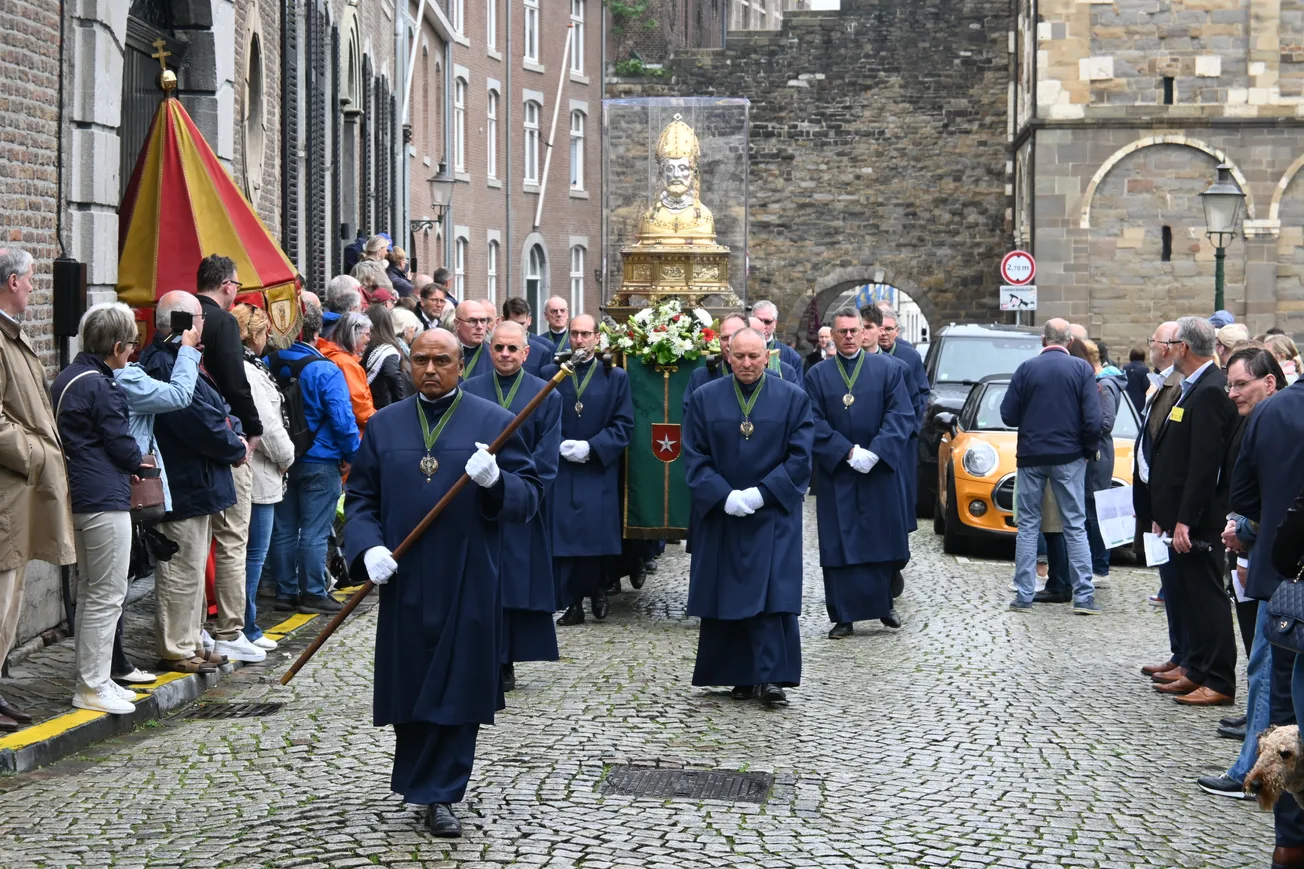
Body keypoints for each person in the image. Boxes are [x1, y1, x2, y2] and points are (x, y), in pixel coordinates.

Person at [345, 327, 541, 838]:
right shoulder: (384, 427)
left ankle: (442, 794)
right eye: (421, 360)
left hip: (468, 577)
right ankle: (418, 780)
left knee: (458, 689)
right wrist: (367, 547)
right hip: (405, 579)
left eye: (442, 361)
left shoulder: (495, 423)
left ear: (461, 365)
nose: (430, 370)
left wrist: (498, 481)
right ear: (409, 363)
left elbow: (531, 496)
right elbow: (361, 498)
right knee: (411, 684)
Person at [682, 327, 813, 704]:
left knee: (772, 595)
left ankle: (771, 677)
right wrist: (724, 495)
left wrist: (762, 493)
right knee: (727, 592)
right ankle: (737, 673)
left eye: (754, 356)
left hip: (772, 514)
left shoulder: (793, 398)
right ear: (728, 356)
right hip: (724, 513)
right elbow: (694, 455)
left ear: (767, 355)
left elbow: (802, 457)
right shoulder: (705, 398)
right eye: (739, 356)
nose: (746, 363)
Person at [139, 292, 250, 673]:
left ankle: (191, 641)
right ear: (184, 323)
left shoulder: (183, 360)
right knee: (180, 570)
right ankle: (176, 647)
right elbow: (196, 420)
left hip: (199, 481)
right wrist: (233, 447)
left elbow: (220, 410)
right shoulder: (165, 364)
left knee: (191, 569)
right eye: (200, 317)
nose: (204, 324)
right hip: (183, 482)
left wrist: (233, 433)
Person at [49, 303, 147, 715]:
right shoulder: (102, 386)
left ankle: (98, 677)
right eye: (130, 347)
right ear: (118, 346)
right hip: (103, 496)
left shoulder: (67, 378)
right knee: (107, 594)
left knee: (91, 592)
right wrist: (138, 462)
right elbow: (119, 442)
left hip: (77, 494)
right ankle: (91, 685)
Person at [1197, 347, 1285, 799]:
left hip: (1279, 565)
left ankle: (1250, 772)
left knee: (1266, 667)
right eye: (1228, 384)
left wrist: (1246, 529)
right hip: (1267, 557)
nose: (1231, 393)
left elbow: (1279, 500)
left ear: (1269, 382)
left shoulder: (1278, 419)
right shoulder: (1261, 416)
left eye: (1240, 384)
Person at [1230, 344, 1304, 869]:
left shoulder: (1275, 411)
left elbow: (1245, 495)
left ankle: (1291, 843)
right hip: (1289, 588)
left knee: (1288, 721)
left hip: (1290, 586)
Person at [1143, 317, 1238, 706]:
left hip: (1201, 519)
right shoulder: (1192, 387)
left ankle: (1217, 679)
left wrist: (1185, 517)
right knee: (1189, 596)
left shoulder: (1212, 389)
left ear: (1183, 347)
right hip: (1179, 515)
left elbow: (1205, 464)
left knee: (1207, 598)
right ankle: (1195, 669)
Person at [0, 247, 76, 730]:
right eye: (29, 280)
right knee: (3, 597)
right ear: (11, 282)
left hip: (19, 493)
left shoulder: (13, 337)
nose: (33, 287)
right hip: (9, 493)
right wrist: (36, 454)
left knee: (11, 600)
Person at [463, 321, 561, 691]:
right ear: (491, 350)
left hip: (522, 506)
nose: (505, 354)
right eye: (499, 348)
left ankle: (506, 660)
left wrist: (516, 492)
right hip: (478, 504)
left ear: (526, 352)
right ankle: (481, 655)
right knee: (480, 583)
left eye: (512, 348)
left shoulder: (546, 394)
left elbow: (546, 458)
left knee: (515, 585)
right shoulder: (469, 390)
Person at [804, 308, 914, 638]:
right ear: (833, 336)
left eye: (854, 330)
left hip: (879, 470)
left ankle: (884, 606)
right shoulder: (818, 375)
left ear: (864, 333)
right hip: (839, 472)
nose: (849, 336)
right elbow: (812, 421)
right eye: (842, 332)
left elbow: (901, 415)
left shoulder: (888, 369)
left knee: (880, 539)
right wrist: (847, 451)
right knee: (841, 544)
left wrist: (876, 452)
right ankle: (844, 615)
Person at [113, 299, 203, 685]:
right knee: (114, 584)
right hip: (125, 486)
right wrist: (187, 351)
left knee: (119, 580)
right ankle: (113, 666)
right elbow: (179, 396)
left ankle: (114, 663)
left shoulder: (125, 373)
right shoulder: (128, 378)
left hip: (127, 484)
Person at [999, 318, 1101, 615]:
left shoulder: (1026, 369)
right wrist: (1087, 450)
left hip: (1031, 456)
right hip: (1069, 456)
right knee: (1074, 524)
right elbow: (1093, 420)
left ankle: (1023, 594)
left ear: (1043, 340)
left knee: (1029, 525)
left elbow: (1008, 415)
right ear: (1070, 342)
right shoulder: (1082, 370)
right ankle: (1084, 596)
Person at [267, 301, 360, 615]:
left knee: (283, 528)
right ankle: (313, 592)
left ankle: (284, 591)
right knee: (314, 530)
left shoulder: (268, 361)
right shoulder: (325, 369)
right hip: (321, 458)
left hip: (279, 458)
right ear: (317, 331)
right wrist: (351, 455)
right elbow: (342, 419)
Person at [543, 314, 634, 625]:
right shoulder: (552, 373)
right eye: (574, 334)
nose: (579, 340)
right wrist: (558, 443)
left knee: (594, 537)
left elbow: (624, 425)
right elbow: (542, 419)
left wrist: (592, 448)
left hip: (596, 467)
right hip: (562, 467)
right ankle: (572, 602)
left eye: (585, 334)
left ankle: (596, 587)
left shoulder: (615, 377)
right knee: (565, 538)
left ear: (598, 338)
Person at [233, 304, 295, 651]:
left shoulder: (252, 368)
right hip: (259, 474)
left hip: (262, 473)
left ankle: (247, 622)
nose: (267, 338)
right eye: (263, 333)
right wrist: (288, 457)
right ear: (252, 335)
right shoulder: (250, 372)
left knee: (251, 554)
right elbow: (267, 425)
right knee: (252, 555)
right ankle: (247, 625)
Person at [1137, 321, 1190, 678]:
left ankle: (1188, 658)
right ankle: (1179, 653)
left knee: (1182, 586)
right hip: (1157, 497)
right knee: (1171, 582)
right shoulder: (1161, 382)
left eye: (1153, 341)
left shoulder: (1177, 385)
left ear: (1170, 346)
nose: (1150, 346)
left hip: (1172, 499)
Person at [1078, 338, 1125, 583]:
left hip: (1099, 454)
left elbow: (1106, 423)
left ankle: (1100, 567)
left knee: (1095, 511)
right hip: (1095, 452)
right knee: (1089, 509)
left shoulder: (1105, 384)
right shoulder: (1100, 382)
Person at [319, 310, 376, 437]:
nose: (369, 339)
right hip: (355, 434)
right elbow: (360, 406)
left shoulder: (331, 355)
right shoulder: (346, 364)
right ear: (354, 334)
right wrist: (381, 421)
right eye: (366, 334)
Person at [362, 304, 413, 409]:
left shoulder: (366, 346)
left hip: (368, 401)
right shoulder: (388, 350)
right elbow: (392, 373)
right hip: (383, 405)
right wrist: (401, 401)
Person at [502, 296, 557, 377]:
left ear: (529, 320)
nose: (518, 329)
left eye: (521, 324)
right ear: (503, 320)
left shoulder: (544, 350)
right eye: (513, 324)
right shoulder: (495, 348)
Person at [750, 300, 803, 373]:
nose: (762, 326)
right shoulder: (737, 352)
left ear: (775, 323)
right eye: (758, 321)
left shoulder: (791, 356)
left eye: (767, 322)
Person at [453, 300, 492, 380]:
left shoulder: (494, 355)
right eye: (473, 321)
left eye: (483, 320)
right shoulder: (444, 351)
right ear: (457, 323)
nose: (479, 326)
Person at [1122, 347, 1150, 415]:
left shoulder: (1124, 369)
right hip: (1140, 404)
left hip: (1126, 402)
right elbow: (1147, 387)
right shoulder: (1144, 370)